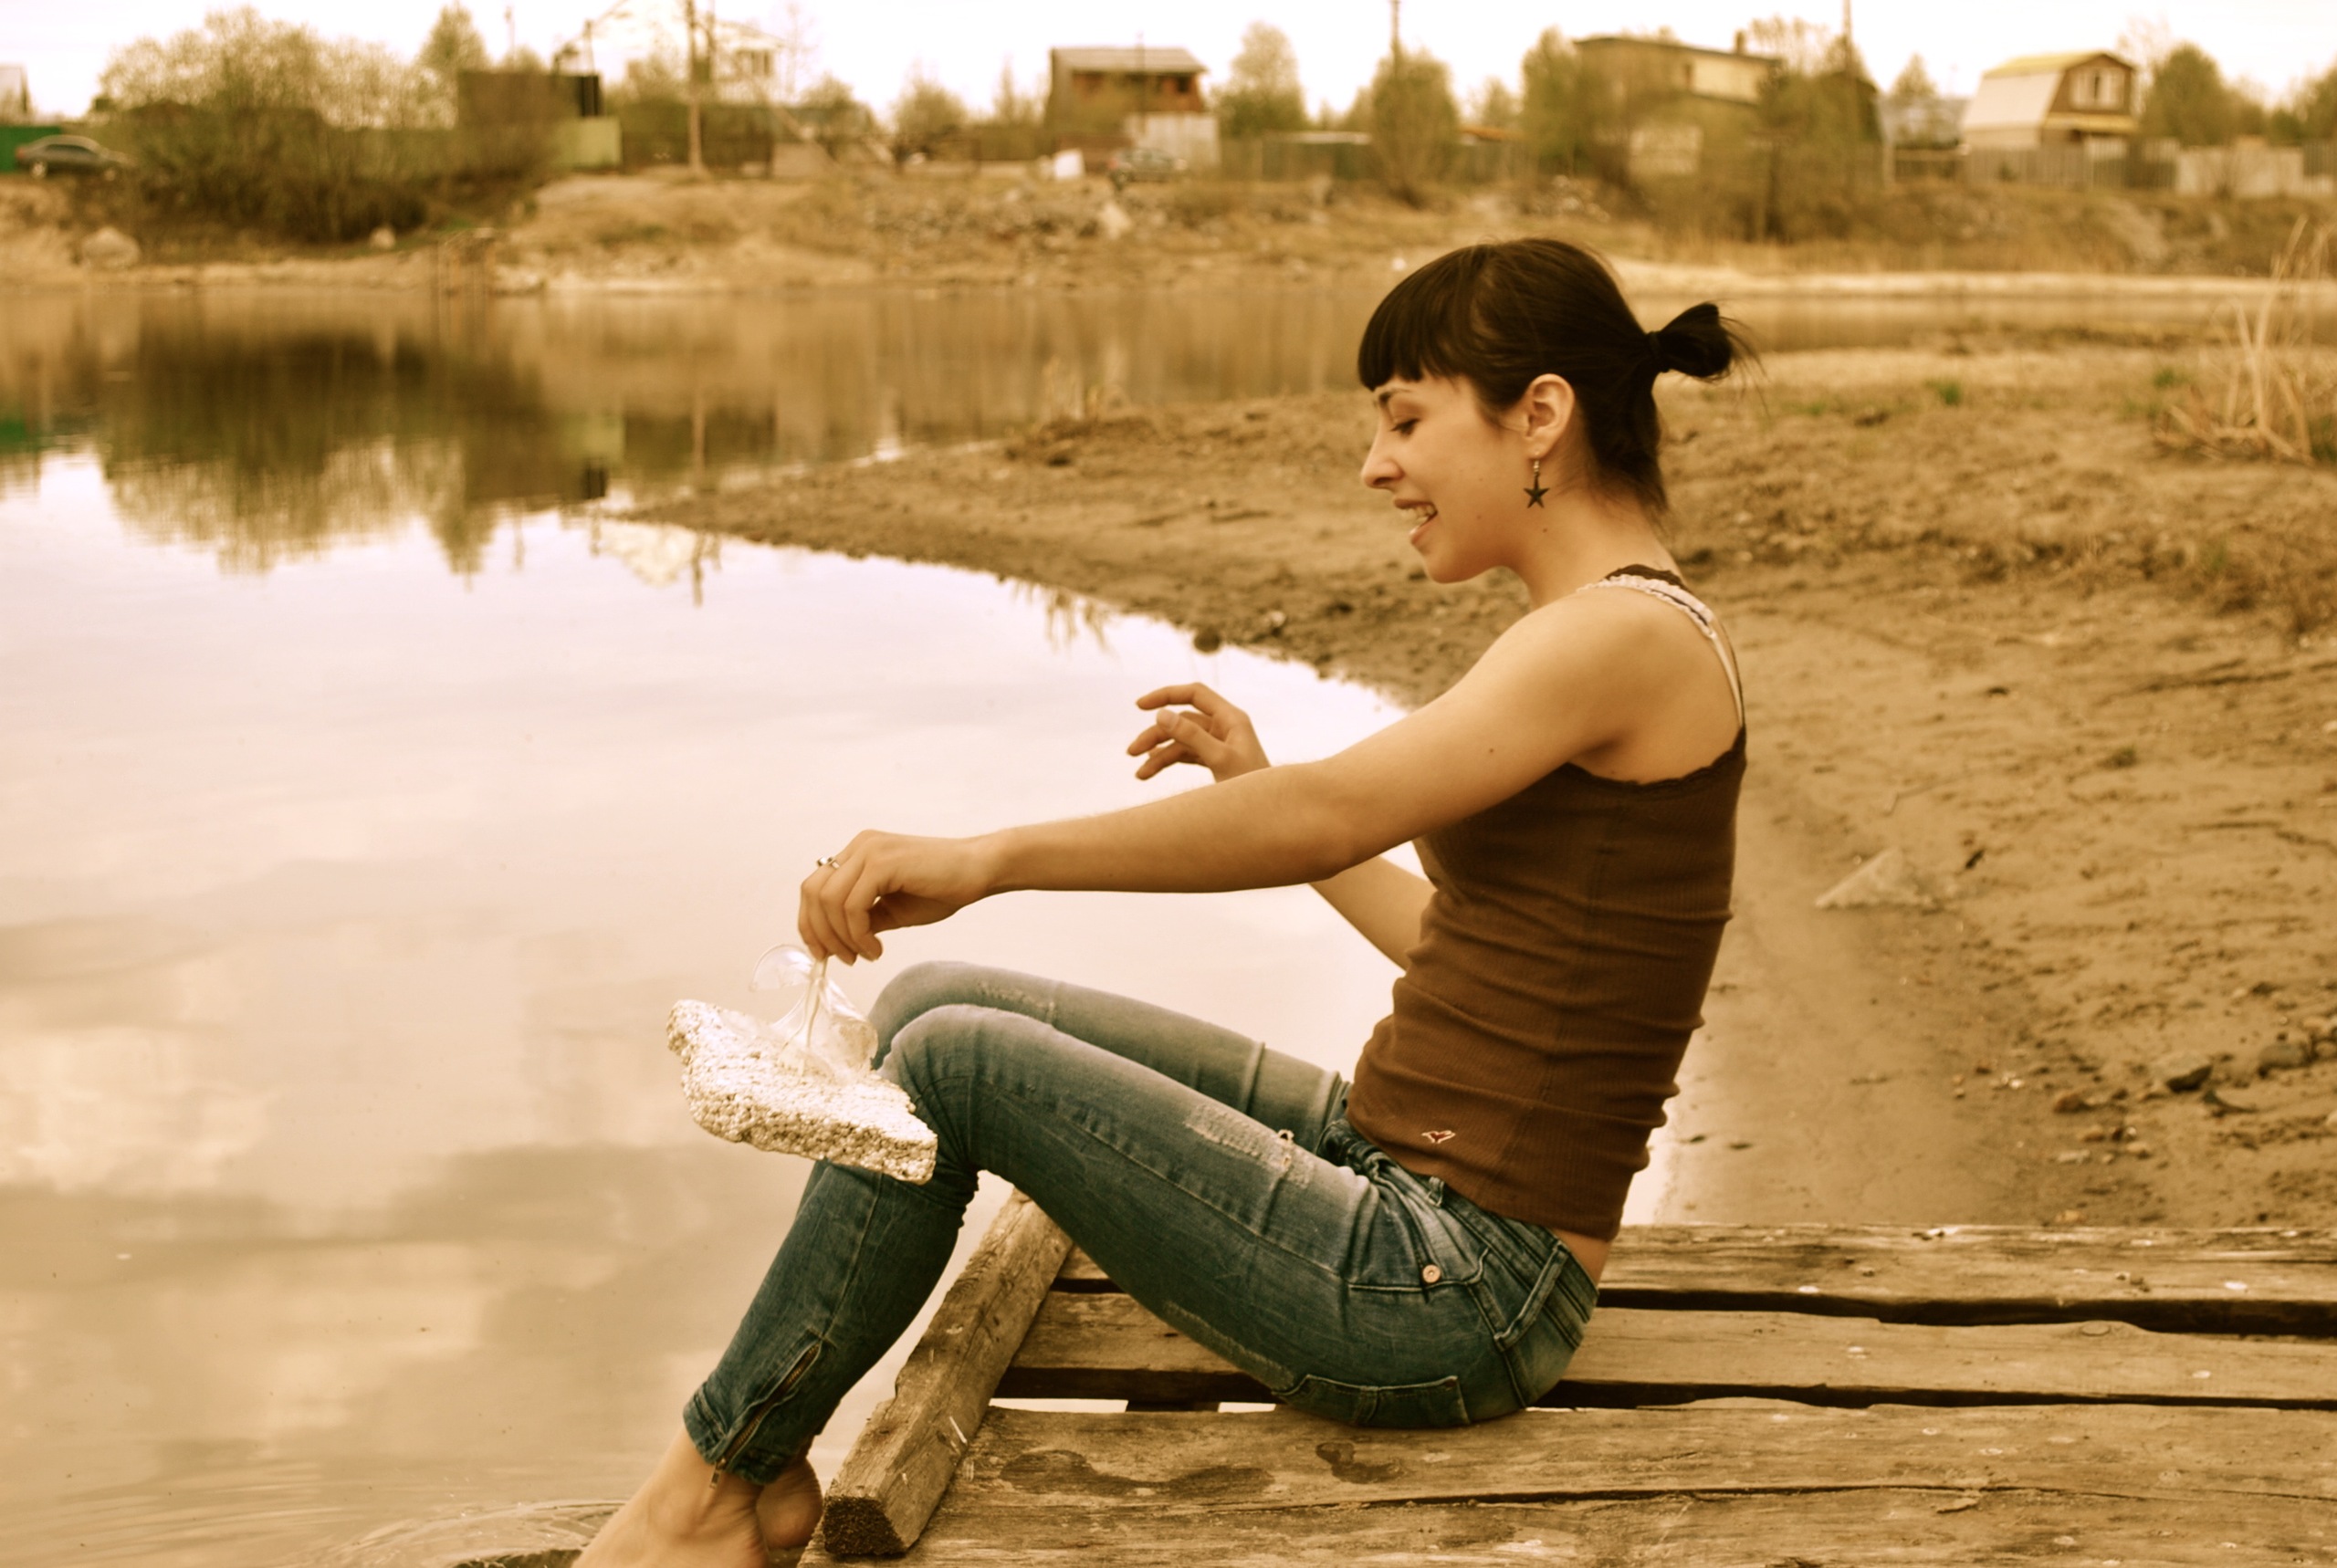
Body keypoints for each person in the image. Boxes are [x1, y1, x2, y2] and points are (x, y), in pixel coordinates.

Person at [576, 238, 1749, 1567]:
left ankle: (712, 1488)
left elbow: (1331, 808)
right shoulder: (1607, 629)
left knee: (952, 1069)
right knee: (935, 1000)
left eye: (1404, 419)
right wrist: (1265, 792)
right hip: (1393, 1163)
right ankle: (759, 1459)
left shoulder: (1621, 636)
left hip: (1456, 1286)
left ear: (1538, 414)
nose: (1376, 466)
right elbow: (1465, 945)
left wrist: (991, 856)